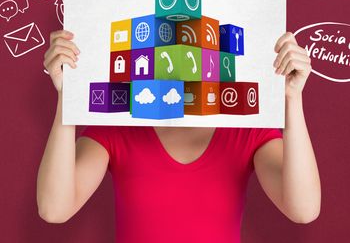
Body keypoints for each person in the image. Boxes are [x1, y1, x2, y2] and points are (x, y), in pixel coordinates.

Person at [37, 29, 321, 243]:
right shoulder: (117, 125)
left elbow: (304, 209)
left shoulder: (246, 128)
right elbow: (54, 209)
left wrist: (291, 99)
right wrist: (67, 96)